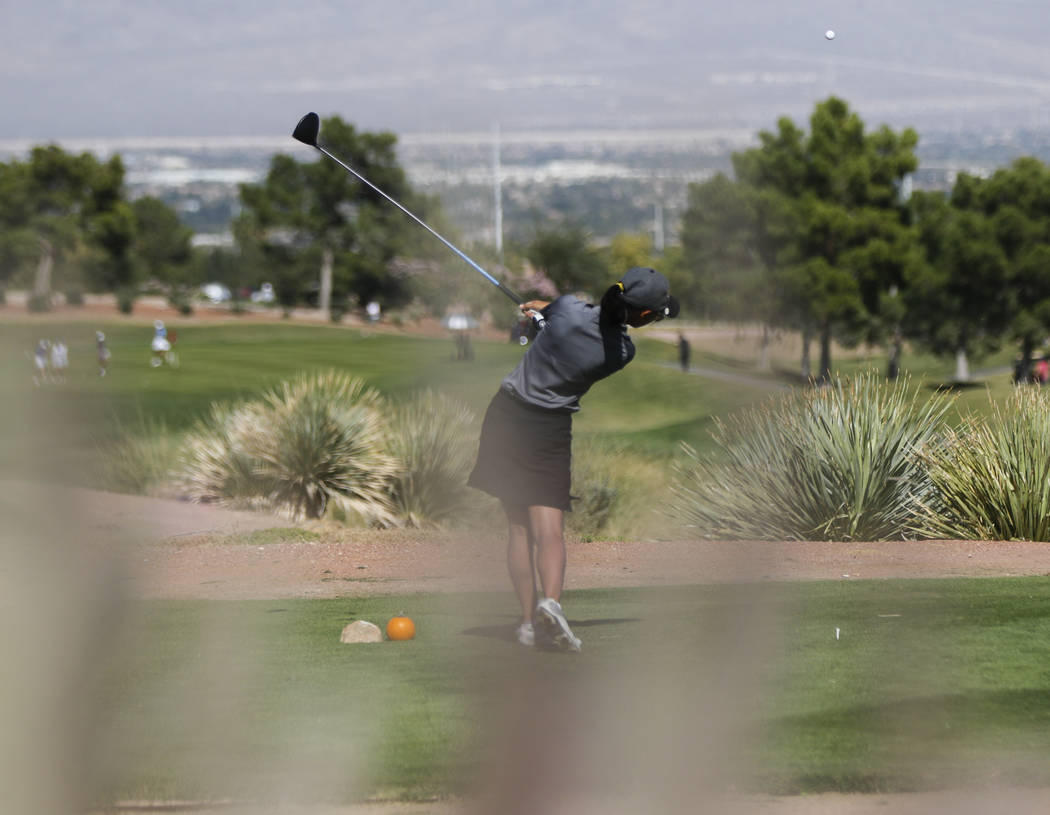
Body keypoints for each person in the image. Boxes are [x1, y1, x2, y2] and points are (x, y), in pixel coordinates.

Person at [467, 267, 679, 652]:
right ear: (644, 317)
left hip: (508, 418)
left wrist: (537, 316)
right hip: (549, 429)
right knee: (549, 531)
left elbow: (558, 314)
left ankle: (528, 624)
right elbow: (568, 326)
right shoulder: (621, 353)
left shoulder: (566, 310)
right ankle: (552, 603)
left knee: (518, 529)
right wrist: (543, 320)